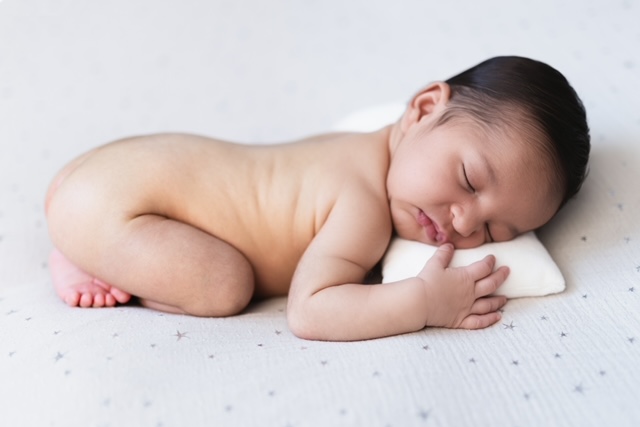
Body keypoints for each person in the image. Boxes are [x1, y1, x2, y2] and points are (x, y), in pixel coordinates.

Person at [45, 56, 590, 341]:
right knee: (224, 286)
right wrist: (424, 303)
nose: (464, 222)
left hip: (107, 170)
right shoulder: (361, 204)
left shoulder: (361, 146)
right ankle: (86, 251)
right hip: (119, 205)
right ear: (423, 109)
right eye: (470, 179)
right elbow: (311, 310)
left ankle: (86, 231)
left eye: (497, 232)